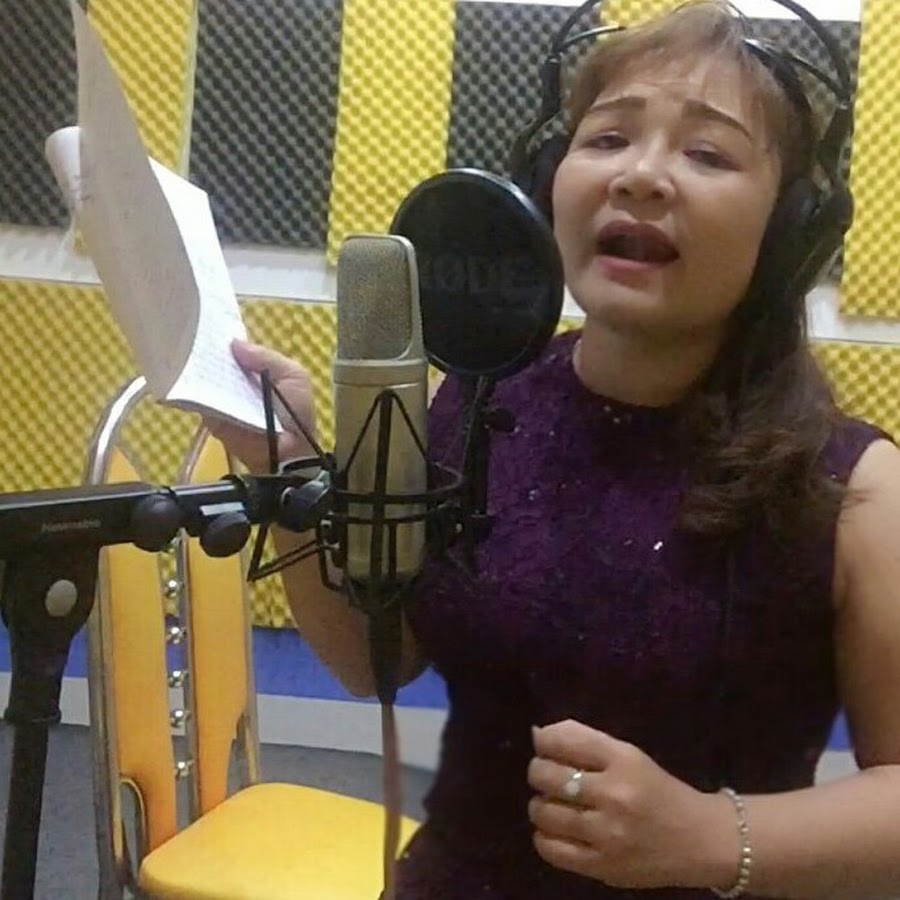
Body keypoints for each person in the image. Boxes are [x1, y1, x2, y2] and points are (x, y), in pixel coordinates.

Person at [209, 1, 900, 897]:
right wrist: (291, 471)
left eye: (707, 153)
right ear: (546, 186)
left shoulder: (855, 491)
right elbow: (374, 655)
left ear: (790, 228)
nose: (641, 176)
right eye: (608, 139)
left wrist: (710, 835)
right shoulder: (480, 398)